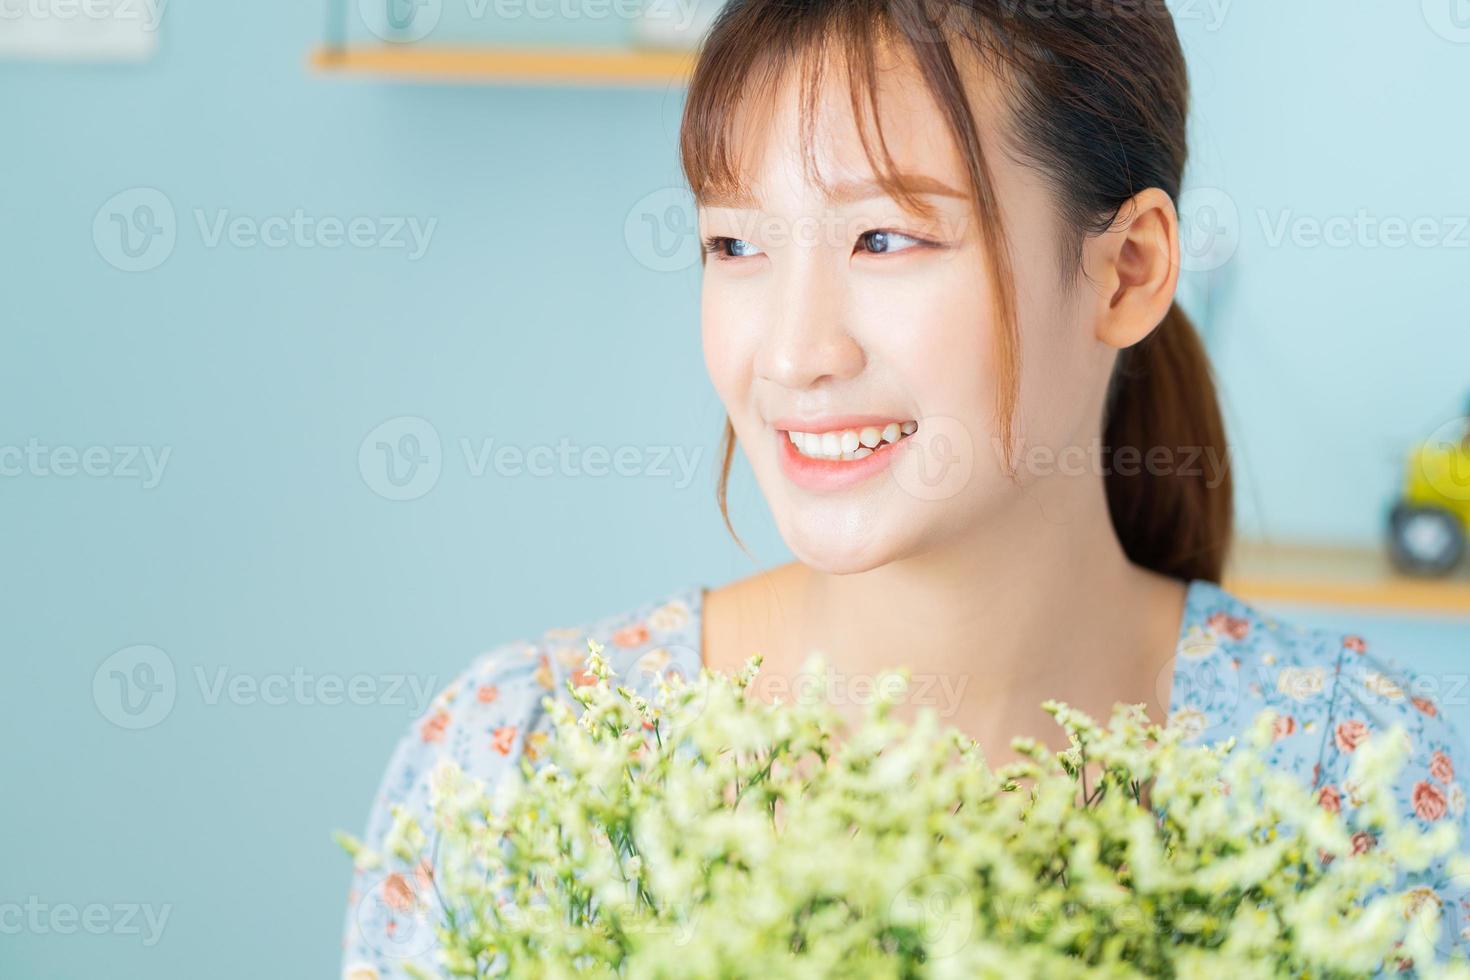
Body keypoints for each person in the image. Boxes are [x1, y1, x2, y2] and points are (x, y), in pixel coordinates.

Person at [341, 0, 1470, 974]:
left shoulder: (1344, 788)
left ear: (1127, 270)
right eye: (734, 245)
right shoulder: (516, 765)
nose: (792, 354)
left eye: (883, 238)